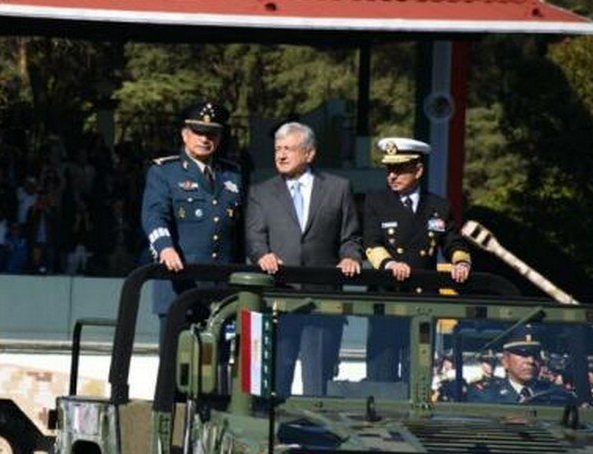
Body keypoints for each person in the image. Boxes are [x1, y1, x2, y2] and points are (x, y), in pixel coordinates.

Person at [244, 122, 362, 396]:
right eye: (278, 149)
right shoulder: (261, 192)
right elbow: (254, 237)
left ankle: (317, 424)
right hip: (279, 298)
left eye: (288, 149)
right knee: (276, 377)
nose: (281, 155)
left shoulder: (338, 188)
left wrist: (350, 257)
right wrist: (263, 255)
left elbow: (350, 237)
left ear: (309, 153)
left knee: (318, 379)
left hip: (322, 300)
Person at [362, 137, 472, 380]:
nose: (392, 176)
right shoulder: (377, 202)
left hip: (423, 302)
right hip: (388, 299)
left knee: (418, 375)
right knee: (381, 377)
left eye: (399, 169)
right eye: (389, 170)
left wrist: (461, 262)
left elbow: (452, 241)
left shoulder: (438, 206)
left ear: (418, 170)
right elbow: (371, 242)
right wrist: (390, 264)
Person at [141, 100, 242, 334]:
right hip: (180, 283)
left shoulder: (232, 174)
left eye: (212, 134)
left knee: (220, 355)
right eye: (198, 132)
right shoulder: (165, 171)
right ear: (185, 134)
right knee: (177, 354)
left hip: (221, 287)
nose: (205, 139)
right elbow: (154, 215)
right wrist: (165, 248)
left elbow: (240, 228)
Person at [471, 329, 575, 405]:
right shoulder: (486, 396)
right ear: (505, 361)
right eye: (523, 354)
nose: (530, 361)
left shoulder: (557, 394)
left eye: (535, 355)